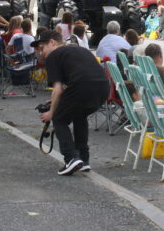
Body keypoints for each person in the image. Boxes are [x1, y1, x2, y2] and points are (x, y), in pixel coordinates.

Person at [33, 30, 110, 176]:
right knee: (79, 115)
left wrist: (51, 112)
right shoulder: (79, 49)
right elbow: (78, 78)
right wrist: (60, 100)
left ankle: (71, 158)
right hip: (103, 88)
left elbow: (58, 89)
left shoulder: (53, 56)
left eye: (42, 48)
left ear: (52, 42)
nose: (41, 53)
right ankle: (83, 159)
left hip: (82, 86)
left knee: (59, 118)